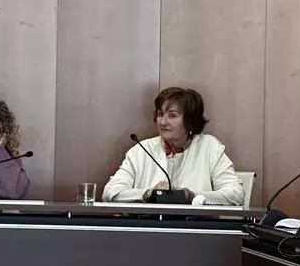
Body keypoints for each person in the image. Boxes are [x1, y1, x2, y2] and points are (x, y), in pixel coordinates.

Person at [103, 87, 243, 205]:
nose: (163, 122)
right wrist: (148, 194)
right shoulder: (141, 150)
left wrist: (194, 197)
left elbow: (236, 194)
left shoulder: (210, 147)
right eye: (160, 114)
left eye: (172, 116)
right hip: (148, 226)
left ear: (190, 120)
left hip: (197, 227)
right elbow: (110, 192)